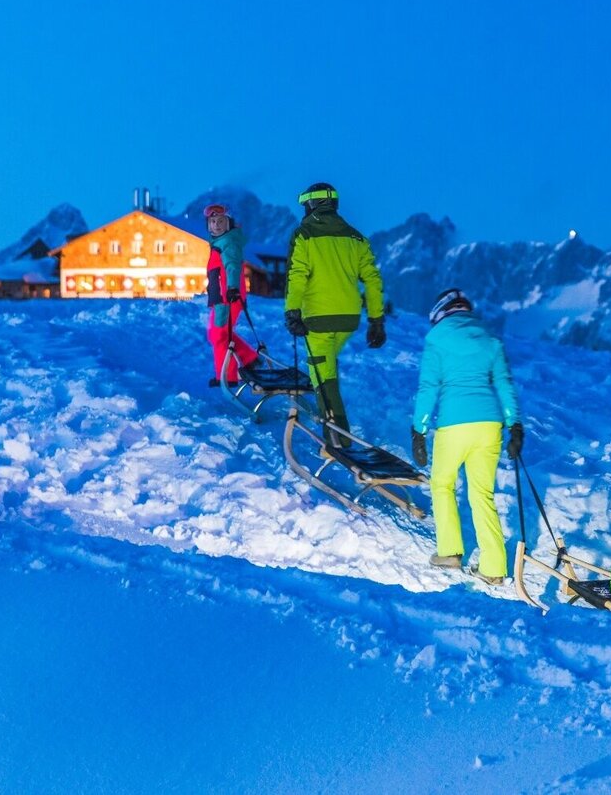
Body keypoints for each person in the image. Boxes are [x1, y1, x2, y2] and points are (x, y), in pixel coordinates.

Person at [410, 289, 523, 584]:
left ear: (440, 312)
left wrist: (419, 430)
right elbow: (504, 384)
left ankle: (449, 552)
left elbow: (428, 388)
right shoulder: (490, 339)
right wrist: (515, 425)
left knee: (442, 484)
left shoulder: (436, 339)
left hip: (454, 425)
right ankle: (493, 568)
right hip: (490, 426)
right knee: (482, 494)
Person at [283, 182, 387, 445]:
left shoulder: (304, 235)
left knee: (322, 376)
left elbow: (296, 276)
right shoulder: (356, 238)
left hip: (317, 318)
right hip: (349, 319)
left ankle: (338, 439)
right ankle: (334, 422)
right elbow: (373, 280)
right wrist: (376, 320)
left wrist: (292, 311)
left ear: (311, 204)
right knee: (326, 366)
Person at [204, 204, 259, 386]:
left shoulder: (227, 243)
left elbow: (232, 267)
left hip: (228, 297)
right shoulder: (219, 243)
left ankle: (228, 377)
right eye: (213, 221)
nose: (216, 225)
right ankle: (250, 359)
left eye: (221, 221)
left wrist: (232, 288)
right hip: (221, 297)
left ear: (229, 223)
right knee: (218, 334)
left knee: (219, 335)